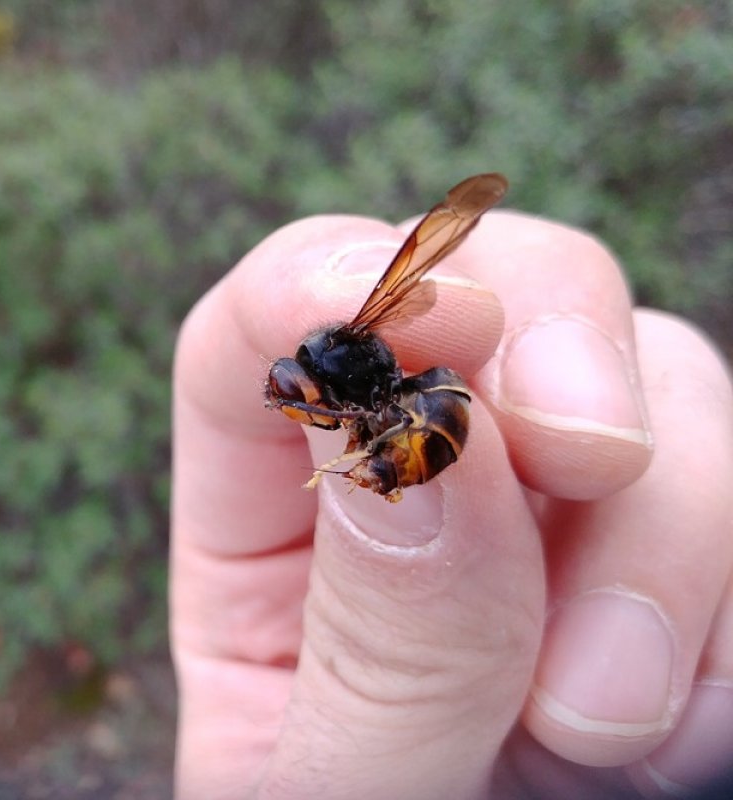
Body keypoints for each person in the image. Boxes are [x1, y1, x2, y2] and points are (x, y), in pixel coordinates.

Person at [170, 206, 733, 799]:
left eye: (295, 395)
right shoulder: (337, 384)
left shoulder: (345, 351)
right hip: (417, 413)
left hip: (432, 408)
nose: (297, 406)